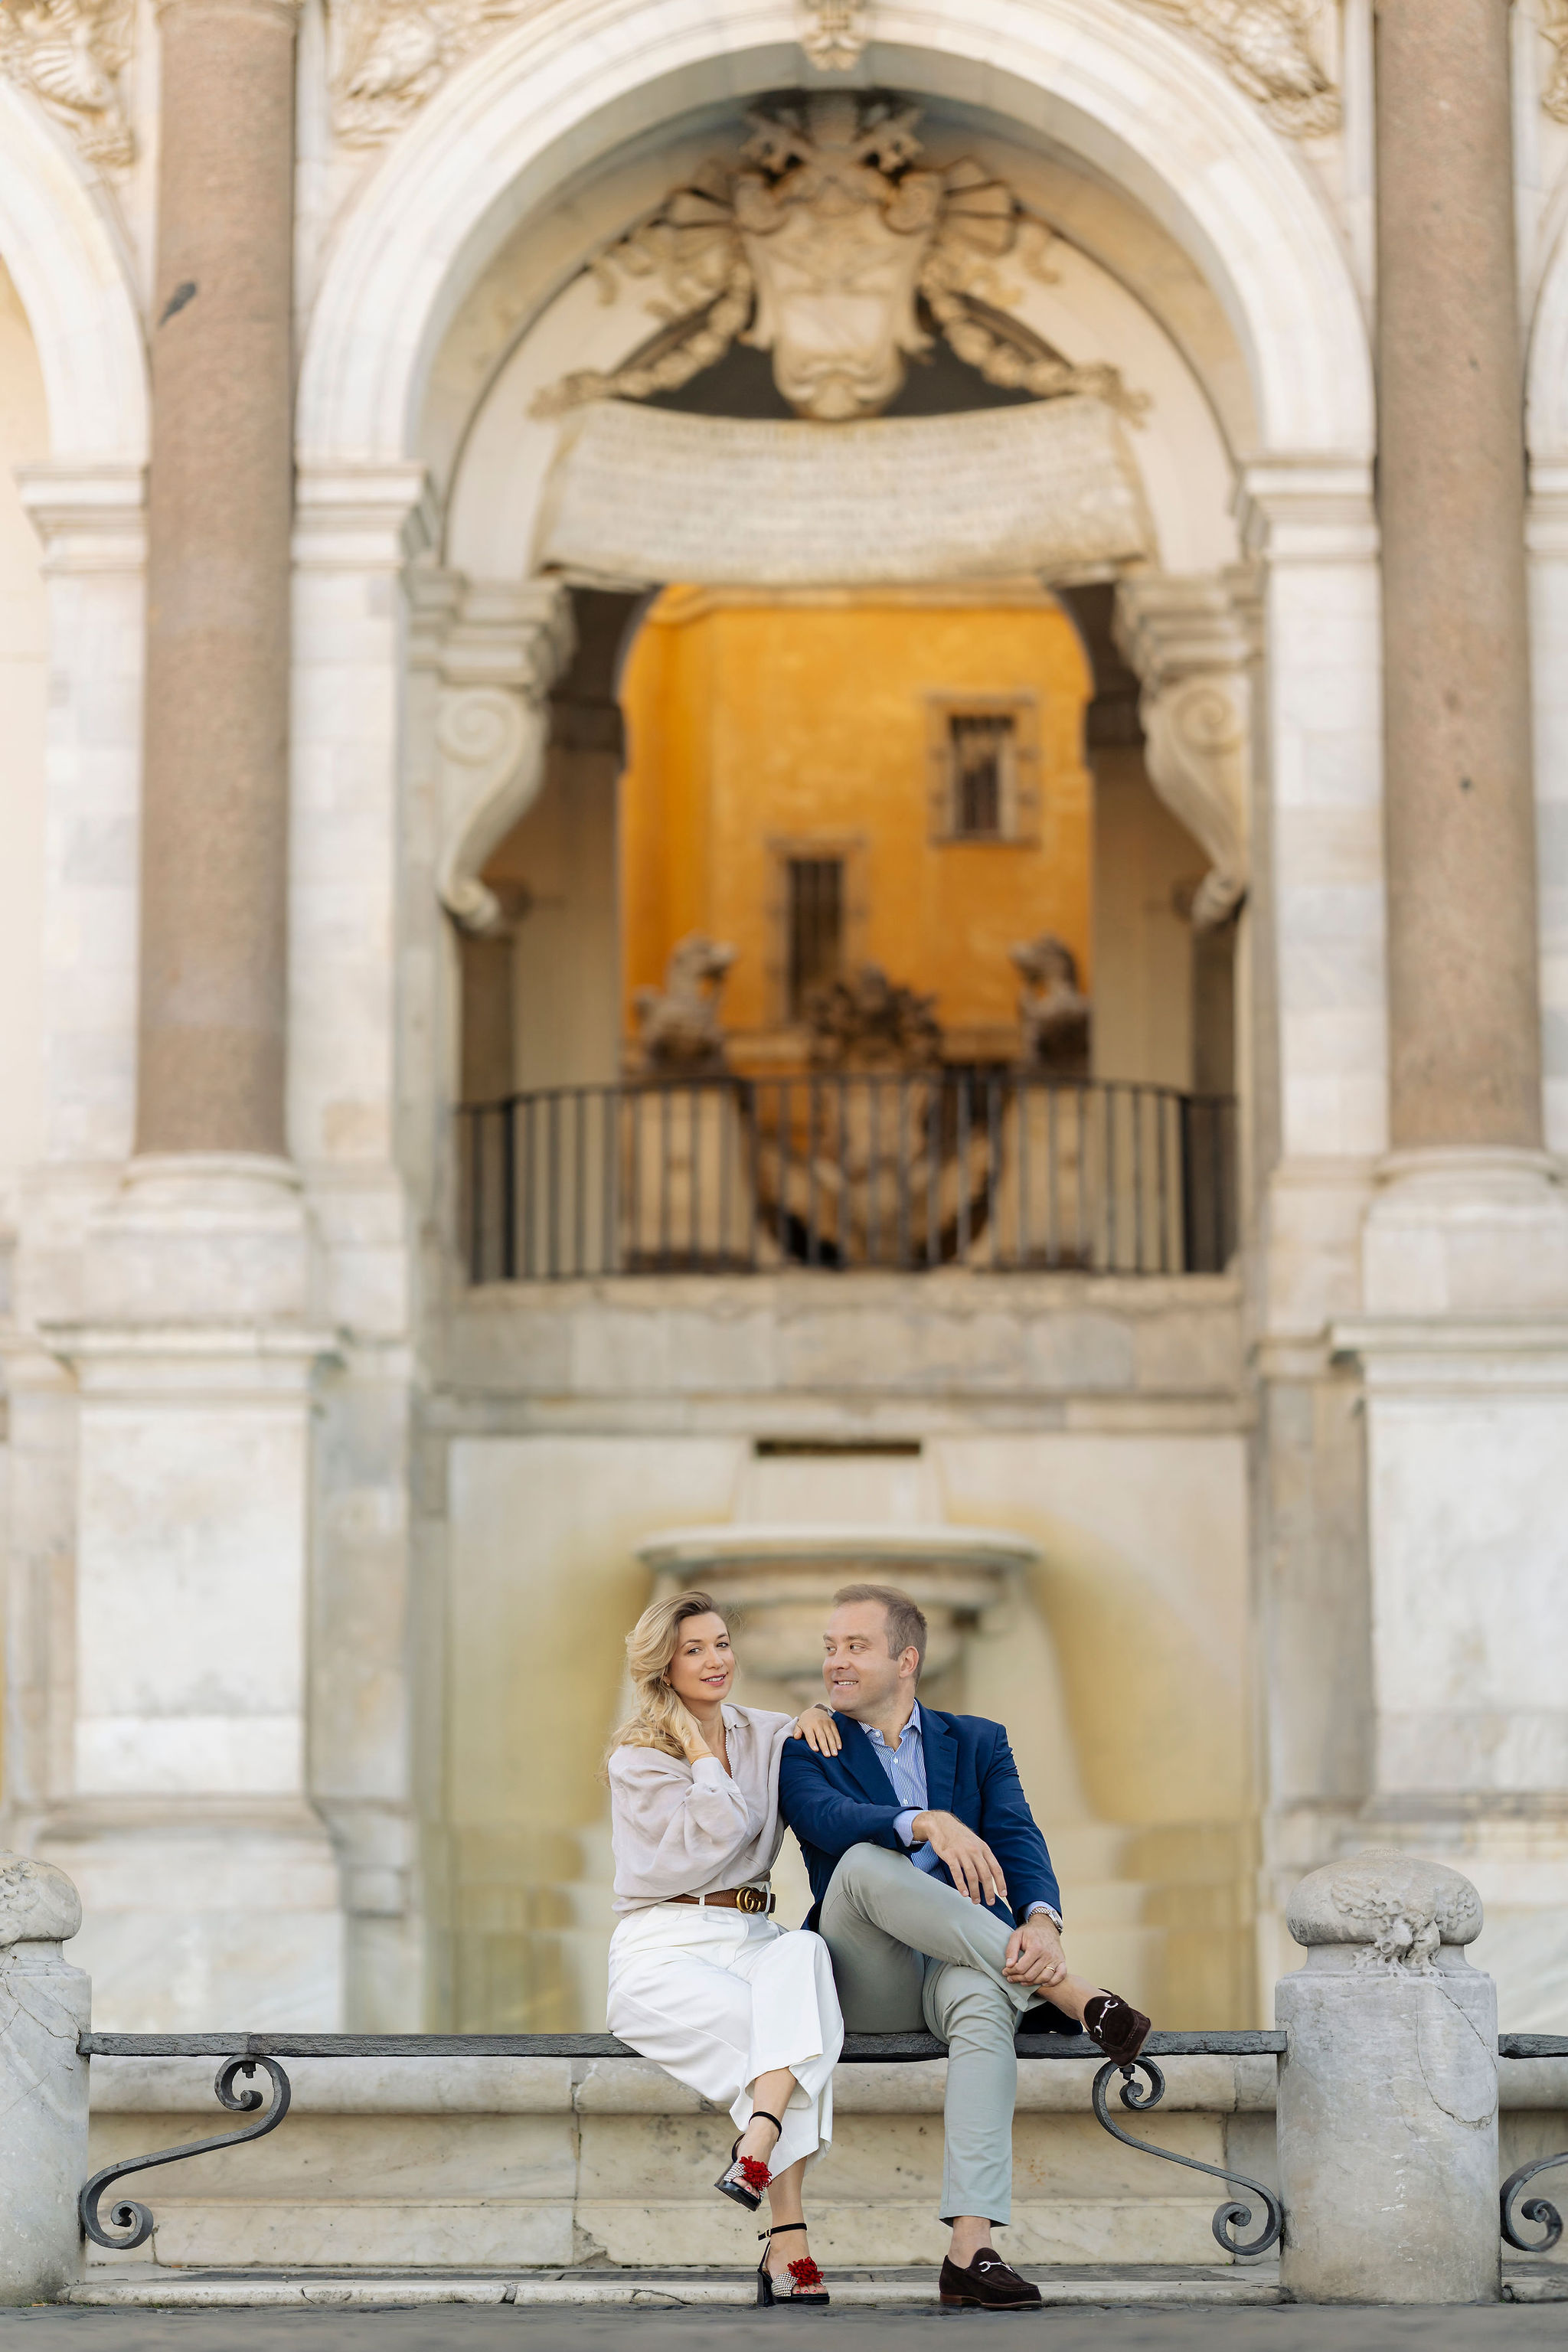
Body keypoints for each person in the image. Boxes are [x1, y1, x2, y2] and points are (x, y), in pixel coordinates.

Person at [777, 1580, 1153, 2312]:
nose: (836, 1663)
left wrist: (1041, 1921)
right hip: (869, 1974)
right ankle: (1072, 1996)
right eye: (830, 1648)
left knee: (985, 2004)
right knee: (860, 1861)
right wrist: (924, 1822)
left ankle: (970, 2251)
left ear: (906, 1658)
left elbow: (1017, 1835)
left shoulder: (978, 1740)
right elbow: (824, 1819)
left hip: (964, 1960)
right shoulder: (808, 1743)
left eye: (856, 1647)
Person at [605, 1589, 847, 2308]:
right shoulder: (638, 1757)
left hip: (750, 1935)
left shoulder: (763, 1731)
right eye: (694, 1650)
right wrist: (702, 1752)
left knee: (807, 1958)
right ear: (664, 1668)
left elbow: (824, 1733)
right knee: (792, 2035)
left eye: (721, 1644)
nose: (716, 1661)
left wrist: (815, 1715)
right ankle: (790, 2236)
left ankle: (758, 2146)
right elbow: (716, 1835)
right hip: (664, 1946)